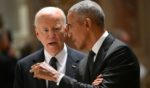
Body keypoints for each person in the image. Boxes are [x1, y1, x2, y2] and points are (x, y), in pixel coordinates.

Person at [30, 0, 140, 88]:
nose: (68, 33)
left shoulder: (119, 53)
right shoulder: (83, 63)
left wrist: (56, 76)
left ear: (87, 24)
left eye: (70, 26)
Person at [13, 7, 86, 88]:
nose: (51, 35)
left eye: (56, 29)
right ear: (37, 34)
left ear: (66, 30)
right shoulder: (23, 66)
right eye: (45, 30)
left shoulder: (85, 62)